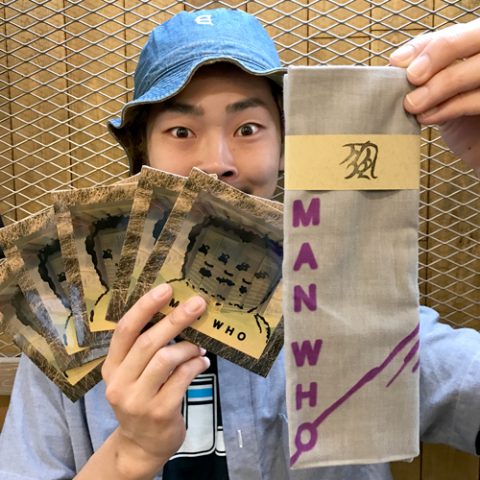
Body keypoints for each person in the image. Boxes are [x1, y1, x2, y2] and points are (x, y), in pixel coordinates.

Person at [0, 8, 479, 480]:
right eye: (181, 131)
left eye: (247, 129)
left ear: (286, 144)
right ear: (143, 151)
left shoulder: (352, 305)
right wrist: (129, 454)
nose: (217, 162)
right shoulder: (67, 320)